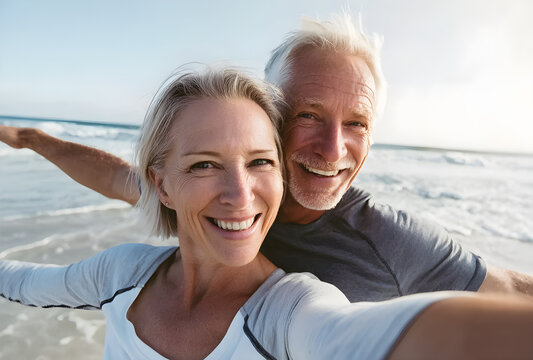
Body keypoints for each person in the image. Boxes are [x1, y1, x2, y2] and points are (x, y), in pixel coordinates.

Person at [2, 67, 533, 360]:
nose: (240, 194)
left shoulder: (292, 310)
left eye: (260, 162)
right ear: (160, 184)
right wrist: (28, 138)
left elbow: (374, 338)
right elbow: (20, 279)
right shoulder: (121, 274)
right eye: (207, 164)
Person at [1, 14, 532, 301]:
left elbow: (508, 289)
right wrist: (32, 138)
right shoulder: (226, 198)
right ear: (267, 119)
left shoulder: (387, 241)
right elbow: (123, 178)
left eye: (357, 125)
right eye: (307, 115)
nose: (332, 148)